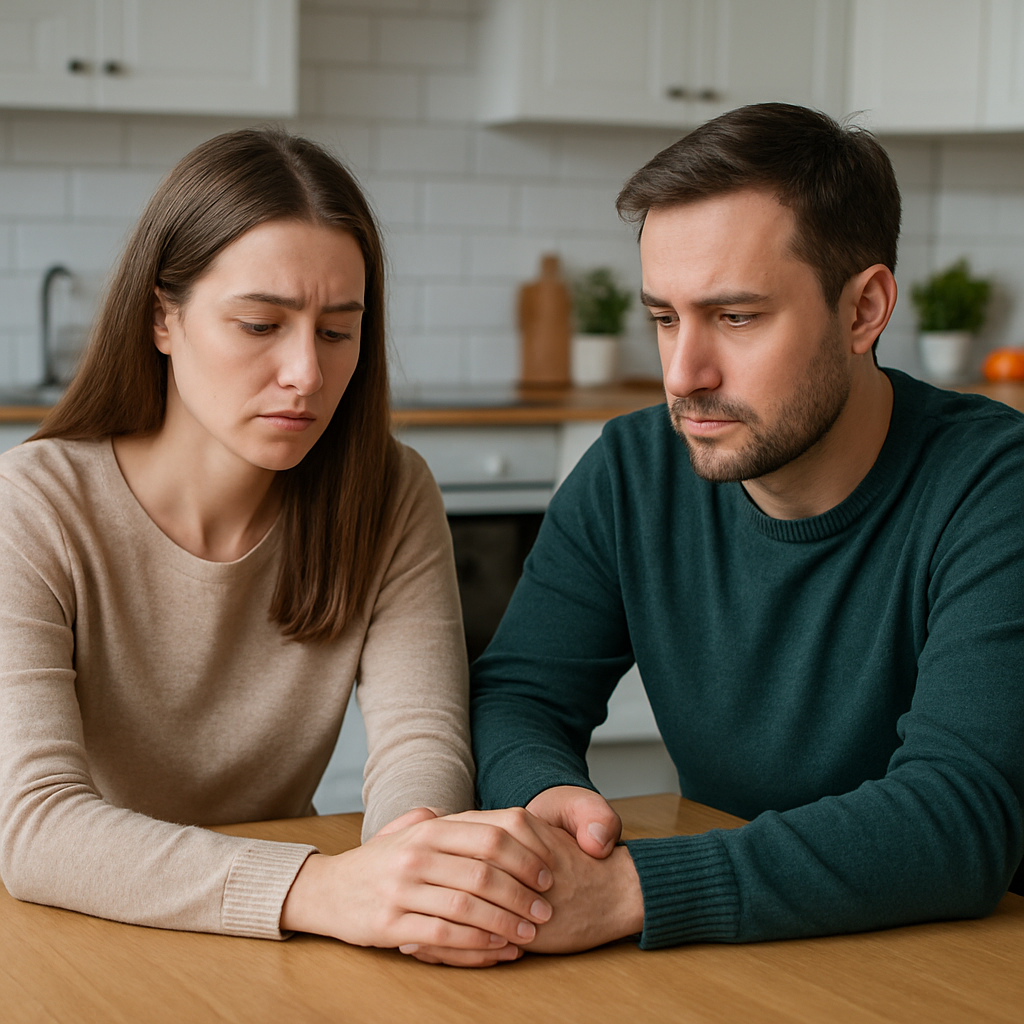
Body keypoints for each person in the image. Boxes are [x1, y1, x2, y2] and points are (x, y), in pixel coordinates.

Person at [459, 103, 1024, 959]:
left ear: (864, 308)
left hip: (958, 961)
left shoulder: (995, 484)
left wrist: (632, 889)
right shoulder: (631, 471)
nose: (685, 374)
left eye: (736, 317)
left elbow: (959, 812)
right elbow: (519, 695)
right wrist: (544, 795)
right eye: (664, 318)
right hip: (749, 950)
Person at [0, 128, 555, 965]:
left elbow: (422, 745)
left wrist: (417, 867)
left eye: (338, 333)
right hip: (67, 930)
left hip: (263, 943)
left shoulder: (389, 493)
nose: (305, 371)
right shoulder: (32, 505)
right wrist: (326, 889)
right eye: (261, 324)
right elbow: (37, 824)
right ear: (162, 317)